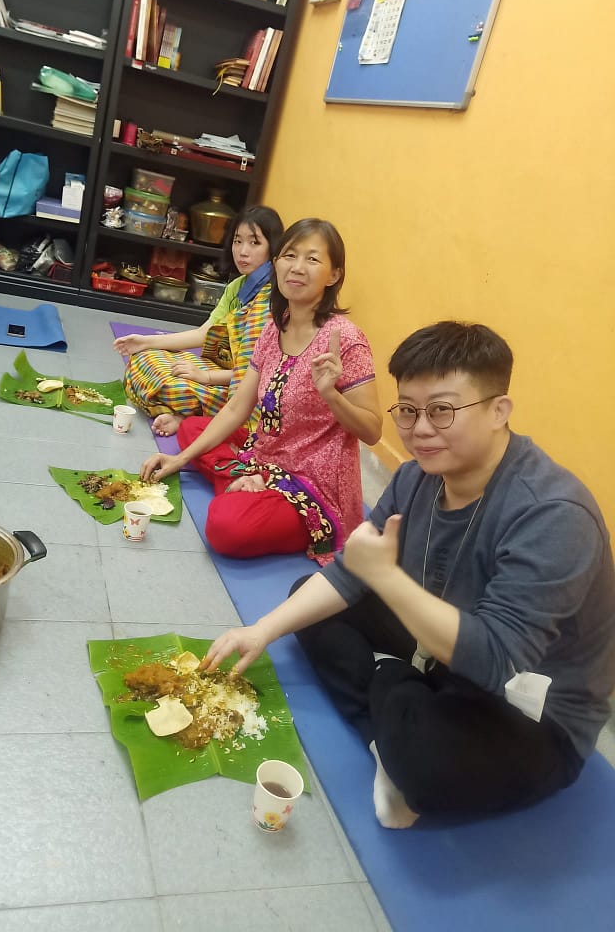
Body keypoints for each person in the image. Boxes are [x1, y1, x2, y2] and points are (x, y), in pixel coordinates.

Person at [201, 321, 615, 828]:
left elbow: (495, 660)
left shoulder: (554, 515)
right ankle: (393, 724)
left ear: (498, 410)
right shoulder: (417, 476)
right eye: (408, 410)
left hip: (527, 703)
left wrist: (388, 580)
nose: (420, 430)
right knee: (306, 598)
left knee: (426, 770)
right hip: (437, 643)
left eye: (442, 410)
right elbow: (350, 575)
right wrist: (260, 631)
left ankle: (394, 710)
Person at [141, 218, 383, 562]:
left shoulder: (346, 340)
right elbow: (237, 408)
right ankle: (248, 483)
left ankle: (248, 489)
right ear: (276, 264)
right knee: (193, 428)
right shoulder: (274, 328)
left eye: (313, 259)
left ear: (334, 275)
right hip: (265, 453)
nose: (297, 267)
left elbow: (372, 431)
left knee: (226, 526)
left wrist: (331, 394)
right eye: (290, 255)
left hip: (313, 483)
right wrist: (179, 460)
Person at [114, 205, 283, 437]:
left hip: (244, 387)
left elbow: (259, 374)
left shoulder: (273, 298)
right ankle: (188, 415)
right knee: (145, 358)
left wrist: (206, 377)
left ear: (273, 247)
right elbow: (204, 333)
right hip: (221, 367)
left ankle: (188, 417)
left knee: (173, 386)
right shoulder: (237, 287)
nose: (243, 252)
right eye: (237, 241)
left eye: (255, 243)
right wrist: (145, 342)